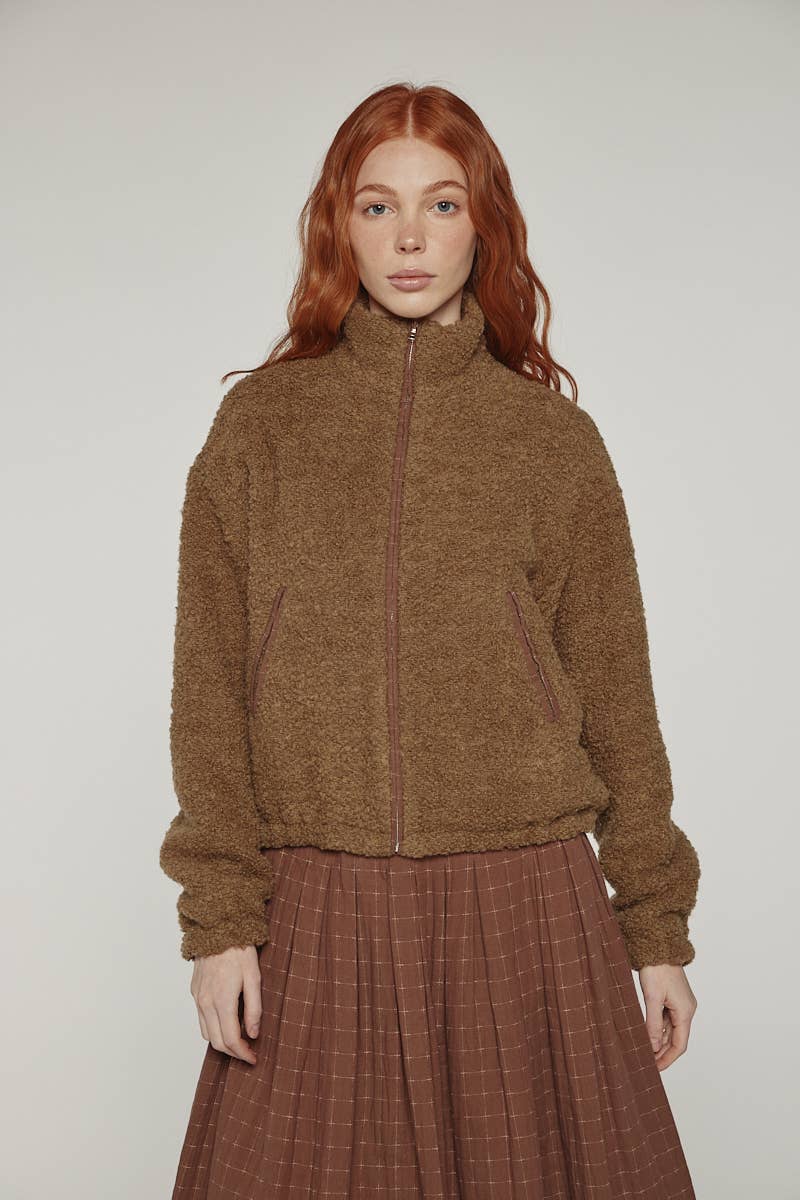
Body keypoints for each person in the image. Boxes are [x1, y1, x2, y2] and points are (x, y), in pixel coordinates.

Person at [159, 81, 701, 1199]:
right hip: (316, 901)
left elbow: (618, 698)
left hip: (522, 900)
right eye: (378, 206)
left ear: (482, 224)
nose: (409, 238)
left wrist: (654, 929)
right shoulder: (260, 428)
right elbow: (206, 689)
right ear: (338, 225)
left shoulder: (550, 443)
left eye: (442, 204)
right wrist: (219, 923)